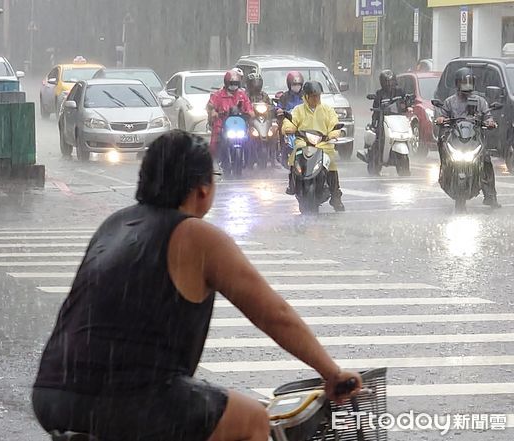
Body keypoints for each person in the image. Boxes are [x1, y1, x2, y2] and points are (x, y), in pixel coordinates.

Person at [32, 130, 362, 441]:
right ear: (203, 189)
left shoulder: (115, 224)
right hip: (131, 399)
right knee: (252, 421)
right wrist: (331, 372)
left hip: (54, 393)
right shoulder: (197, 236)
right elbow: (273, 313)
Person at [435, 67, 501, 208]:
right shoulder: (450, 101)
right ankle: (445, 174)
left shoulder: (480, 101)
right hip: (455, 138)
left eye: (469, 81)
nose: (466, 85)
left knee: (486, 161)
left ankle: (490, 196)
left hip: (474, 138)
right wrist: (441, 119)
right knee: (442, 147)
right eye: (464, 82)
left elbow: (488, 116)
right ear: (457, 83)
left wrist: (490, 122)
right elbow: (443, 115)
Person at [282, 81, 345, 212]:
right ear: (306, 96)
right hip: (304, 142)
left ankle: (335, 194)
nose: (315, 99)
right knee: (295, 156)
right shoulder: (298, 110)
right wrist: (289, 128)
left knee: (331, 162)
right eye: (312, 96)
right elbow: (290, 121)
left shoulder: (327, 110)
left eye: (317, 96)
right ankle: (292, 184)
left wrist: (333, 133)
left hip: (323, 143)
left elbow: (334, 124)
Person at [207, 70, 254, 167]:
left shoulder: (242, 95)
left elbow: (249, 107)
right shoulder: (218, 95)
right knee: (216, 141)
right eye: (232, 83)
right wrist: (214, 113)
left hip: (239, 124)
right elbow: (210, 107)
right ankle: (218, 161)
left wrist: (250, 112)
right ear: (226, 83)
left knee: (251, 139)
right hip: (223, 123)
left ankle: (250, 161)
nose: (234, 85)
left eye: (236, 83)